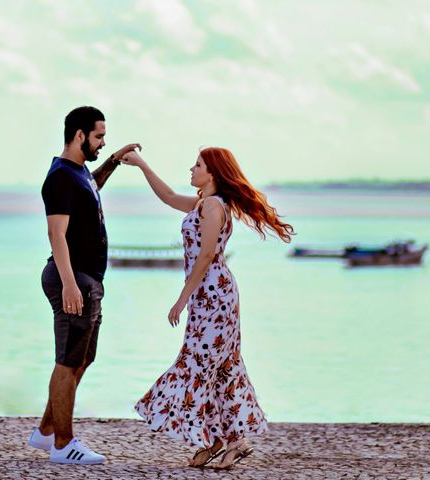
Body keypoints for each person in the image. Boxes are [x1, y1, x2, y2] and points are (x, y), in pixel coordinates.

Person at [123, 146, 294, 469]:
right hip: (209, 296)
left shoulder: (214, 207)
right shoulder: (204, 203)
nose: (191, 168)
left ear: (212, 173)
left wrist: (182, 297)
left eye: (198, 164)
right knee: (216, 368)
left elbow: (206, 257)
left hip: (214, 296)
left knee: (203, 366)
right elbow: (170, 197)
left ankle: (228, 440)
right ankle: (223, 440)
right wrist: (143, 165)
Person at [28, 106, 140, 465]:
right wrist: (69, 284)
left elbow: (92, 185)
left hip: (86, 280)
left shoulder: (78, 173)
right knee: (68, 361)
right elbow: (55, 234)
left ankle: (45, 431)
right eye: (98, 136)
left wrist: (114, 160)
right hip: (72, 279)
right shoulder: (60, 176)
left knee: (83, 359)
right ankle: (63, 444)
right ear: (79, 135)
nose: (102, 142)